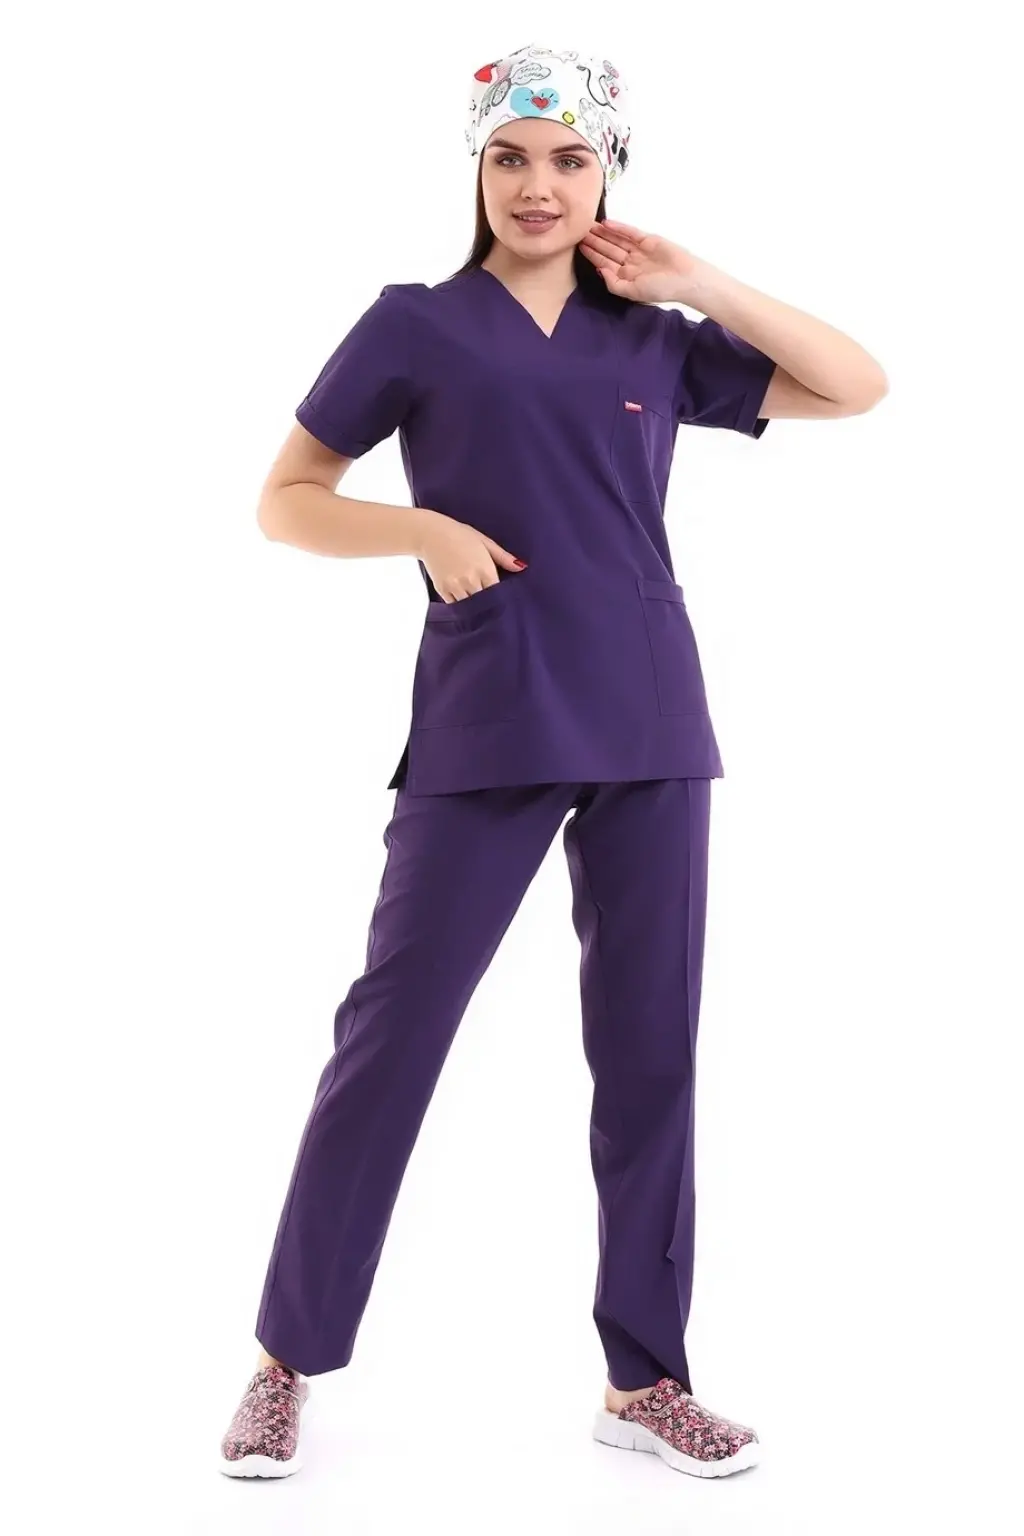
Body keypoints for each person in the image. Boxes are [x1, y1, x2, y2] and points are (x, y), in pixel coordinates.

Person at [218, 40, 888, 1482]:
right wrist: (420, 531)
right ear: (476, 169)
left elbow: (855, 386)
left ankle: (646, 1381)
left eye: (571, 159)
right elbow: (287, 499)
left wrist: (699, 280)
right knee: (392, 1035)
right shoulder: (415, 324)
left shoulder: (650, 333)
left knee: (650, 1054)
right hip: (490, 715)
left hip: (649, 715)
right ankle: (285, 1361)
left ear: (608, 173)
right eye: (512, 158)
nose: (539, 185)